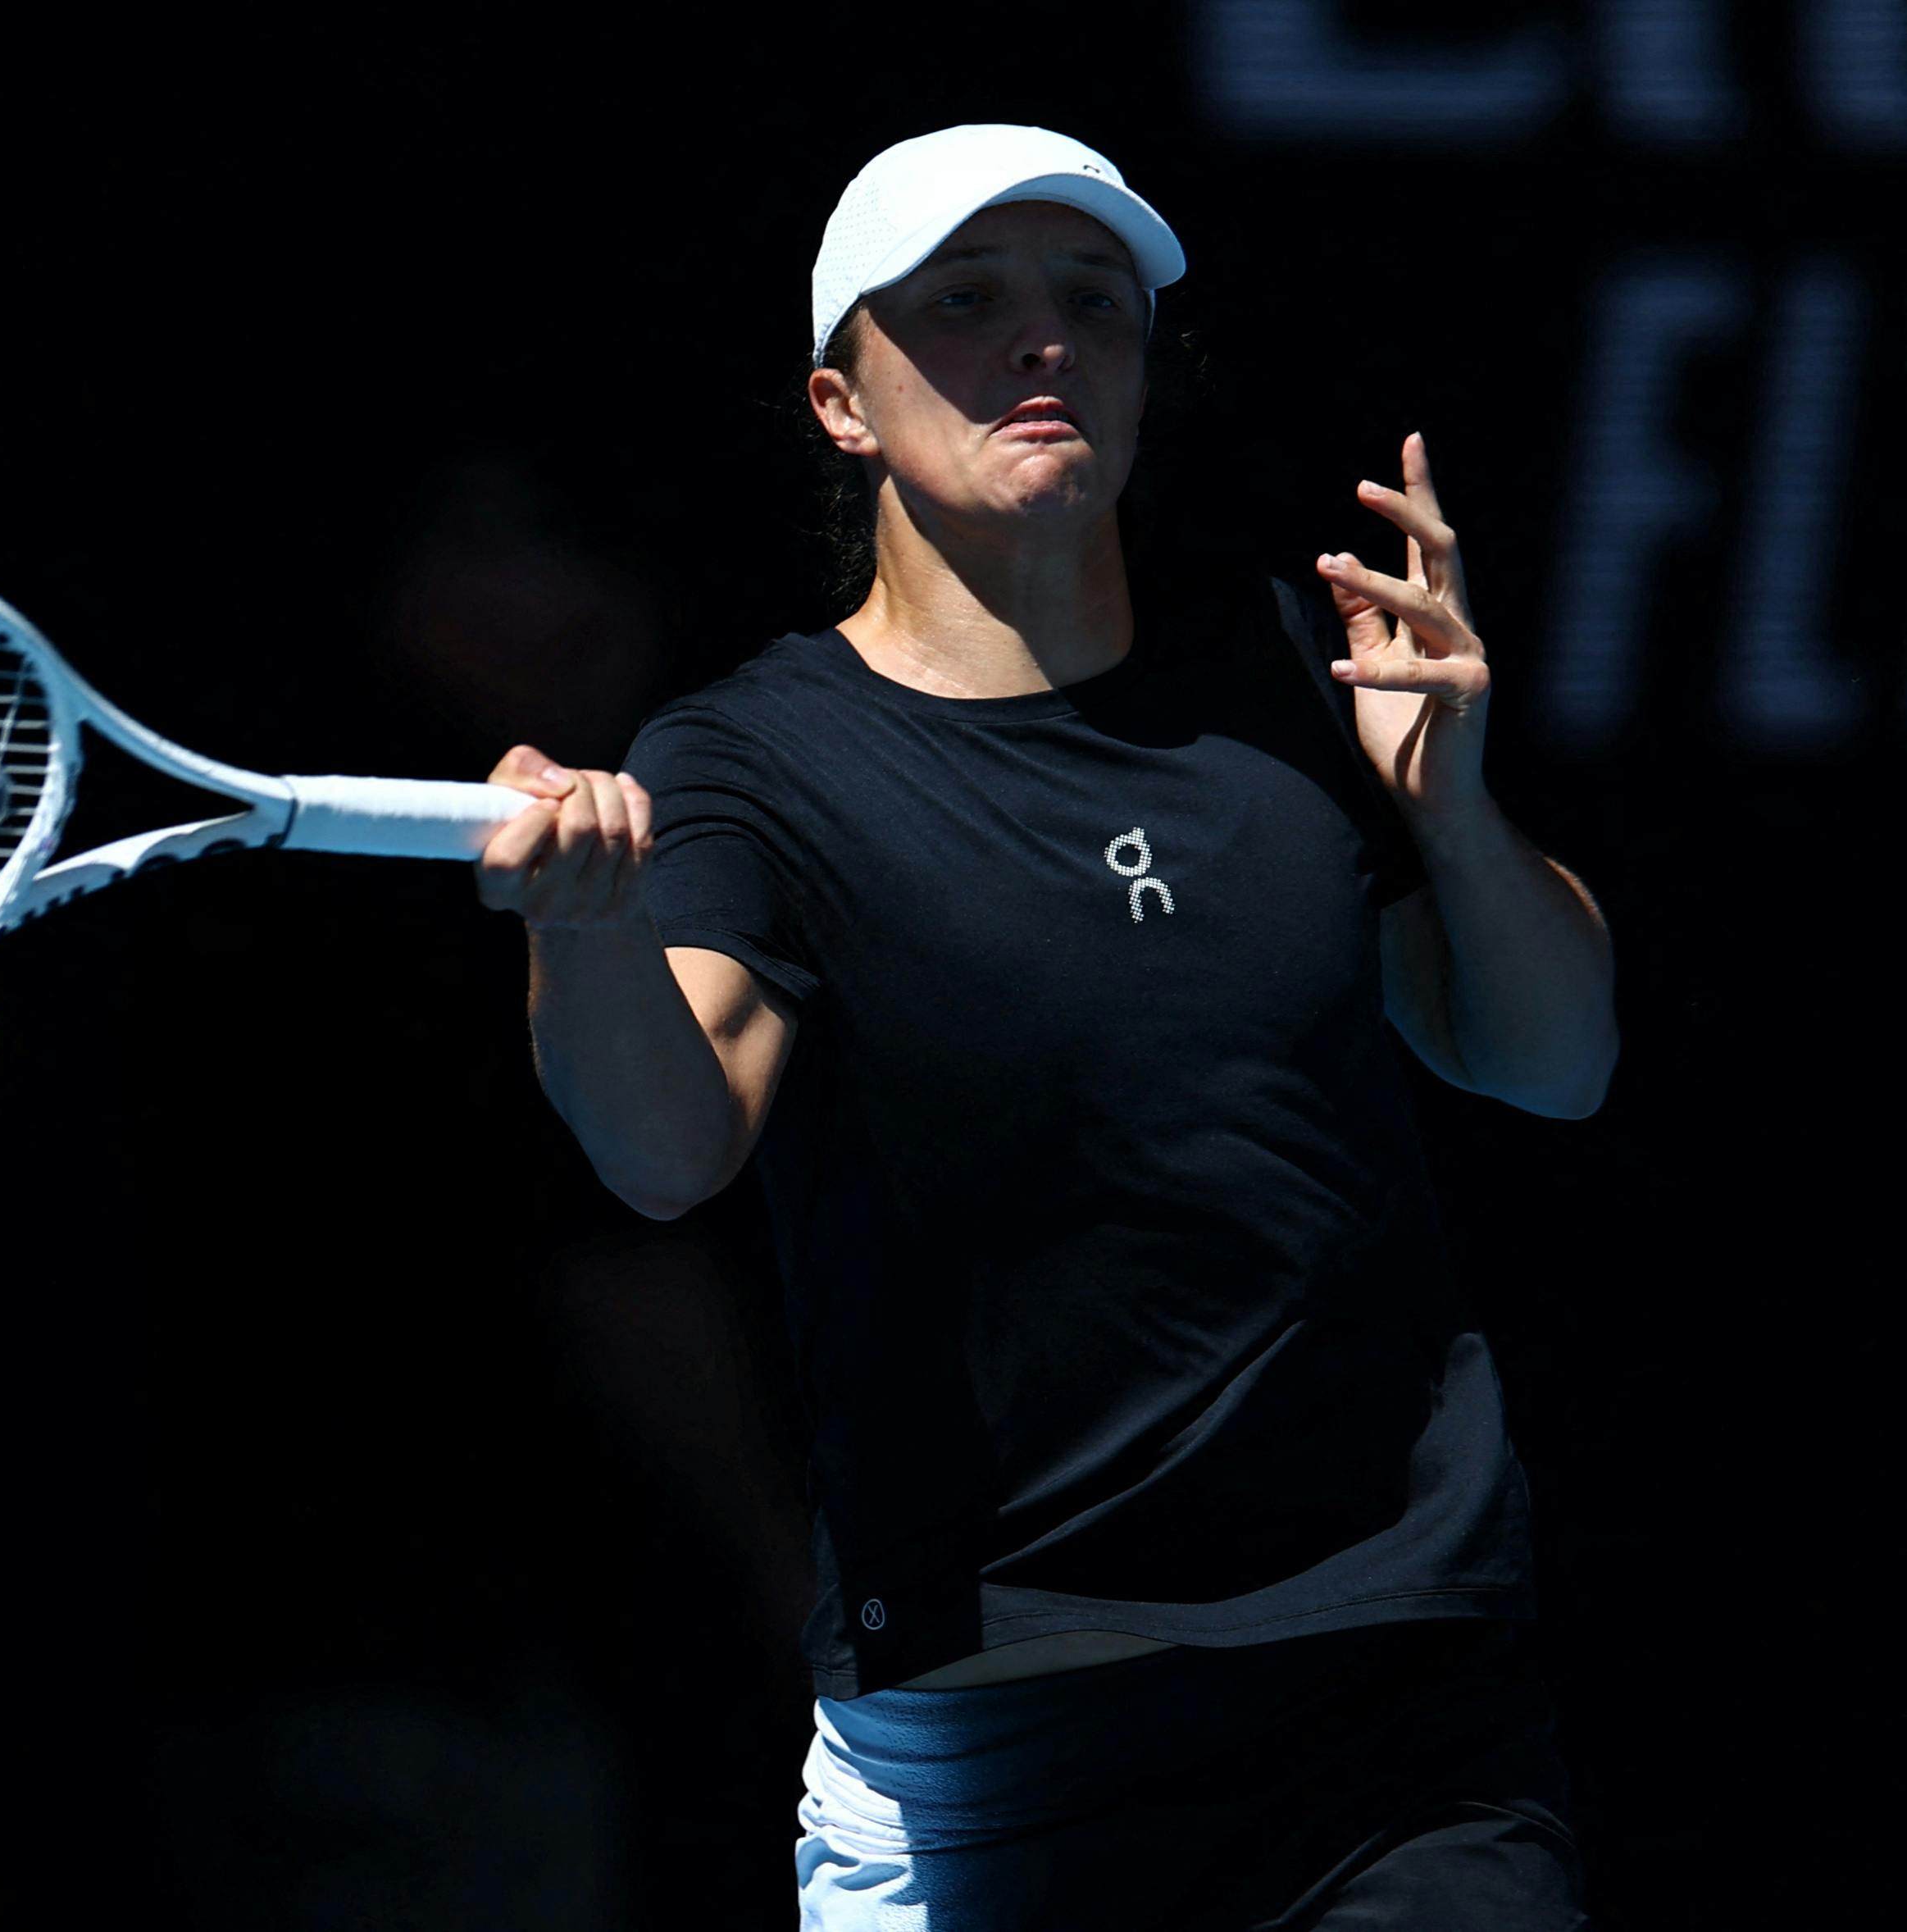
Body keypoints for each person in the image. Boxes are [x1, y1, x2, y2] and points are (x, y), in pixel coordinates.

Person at [475, 125, 1614, 1927]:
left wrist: (1455, 807)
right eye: (968, 301)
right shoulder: (747, 764)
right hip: (988, 1758)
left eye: (1095, 302)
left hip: (1394, 1712)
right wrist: (588, 940)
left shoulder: (1294, 673)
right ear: (842, 401)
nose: (1044, 342)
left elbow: (1552, 1056)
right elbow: (663, 1147)